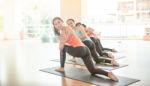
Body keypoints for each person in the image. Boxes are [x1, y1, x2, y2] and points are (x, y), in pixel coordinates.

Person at [52, 17, 118, 81]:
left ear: (62, 22)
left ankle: (62, 67)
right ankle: (108, 73)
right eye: (56, 24)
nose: (58, 25)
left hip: (79, 50)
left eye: (59, 22)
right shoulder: (66, 30)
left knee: (62, 48)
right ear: (54, 26)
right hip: (86, 50)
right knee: (92, 70)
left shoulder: (66, 29)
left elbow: (61, 46)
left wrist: (61, 43)